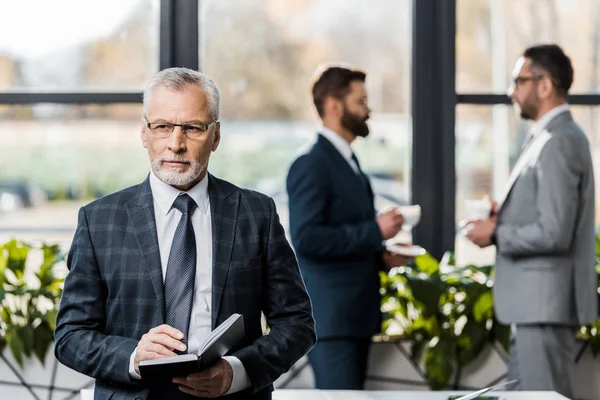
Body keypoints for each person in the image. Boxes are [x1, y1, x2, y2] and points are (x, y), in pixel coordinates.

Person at [54, 67, 316, 400]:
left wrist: (238, 371)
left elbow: (297, 323)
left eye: (192, 128)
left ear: (216, 136)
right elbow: (70, 336)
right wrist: (133, 356)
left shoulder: (256, 214)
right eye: (162, 127)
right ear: (144, 134)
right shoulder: (98, 220)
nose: (176, 144)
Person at [466, 44, 597, 398]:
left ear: (545, 85)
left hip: (544, 306)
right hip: (536, 306)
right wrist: (503, 216)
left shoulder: (558, 141)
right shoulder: (548, 138)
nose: (512, 91)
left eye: (519, 81)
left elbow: (554, 232)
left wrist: (496, 232)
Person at [285, 64, 410, 390]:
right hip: (332, 322)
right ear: (334, 106)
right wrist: (375, 231)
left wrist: (382, 255)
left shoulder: (348, 160)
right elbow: (307, 238)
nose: (368, 110)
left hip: (354, 318)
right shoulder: (311, 162)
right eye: (362, 101)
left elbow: (342, 233)